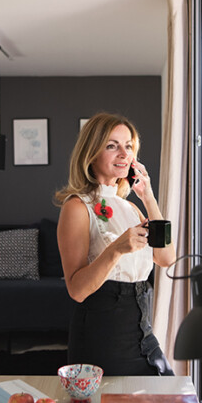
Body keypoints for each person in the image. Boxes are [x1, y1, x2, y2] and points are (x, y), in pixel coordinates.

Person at [54, 112, 175, 376]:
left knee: (168, 401)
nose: (123, 153)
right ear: (91, 153)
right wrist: (116, 249)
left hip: (143, 333)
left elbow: (166, 258)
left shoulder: (131, 207)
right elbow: (77, 290)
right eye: (112, 146)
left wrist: (149, 197)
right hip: (103, 338)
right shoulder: (77, 207)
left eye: (128, 146)